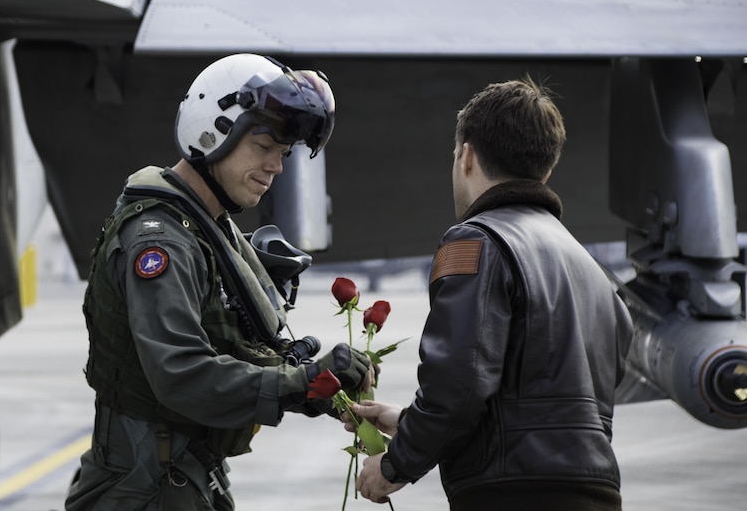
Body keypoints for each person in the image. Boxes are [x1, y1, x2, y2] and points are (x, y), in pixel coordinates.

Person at [65, 53, 374, 511]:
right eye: (264, 145)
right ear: (211, 133)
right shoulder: (162, 245)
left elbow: (230, 349)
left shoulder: (208, 227)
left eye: (284, 153)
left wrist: (320, 386)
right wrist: (303, 383)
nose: (276, 166)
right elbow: (183, 375)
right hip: (146, 488)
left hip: (184, 473)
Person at [347, 77, 633, 510]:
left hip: (511, 494)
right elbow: (535, 403)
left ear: (467, 156)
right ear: (547, 168)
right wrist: (406, 423)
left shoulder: (476, 242)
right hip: (595, 493)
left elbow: (459, 385)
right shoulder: (594, 272)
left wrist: (394, 466)